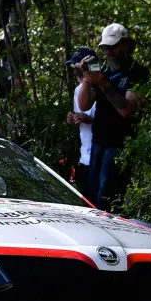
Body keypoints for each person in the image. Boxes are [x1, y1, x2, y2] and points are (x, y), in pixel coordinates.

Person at [78, 23, 150, 211]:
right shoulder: (105, 71)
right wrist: (87, 78)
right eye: (105, 49)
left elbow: (127, 110)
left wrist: (102, 84)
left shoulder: (138, 73)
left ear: (126, 45)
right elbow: (84, 105)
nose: (109, 53)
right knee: (90, 199)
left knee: (107, 199)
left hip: (119, 145)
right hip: (98, 143)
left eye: (113, 47)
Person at [64, 48, 97, 194]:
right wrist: (73, 119)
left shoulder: (102, 87)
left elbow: (112, 120)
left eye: (78, 66)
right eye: (74, 67)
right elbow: (80, 118)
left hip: (100, 153)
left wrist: (90, 119)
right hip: (84, 155)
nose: (76, 71)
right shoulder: (78, 90)